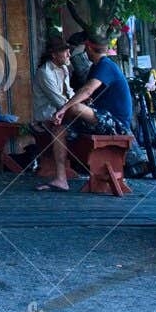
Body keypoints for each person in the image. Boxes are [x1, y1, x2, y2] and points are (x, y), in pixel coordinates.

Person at [37, 29, 133, 191]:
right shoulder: (95, 67)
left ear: (88, 48)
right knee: (60, 129)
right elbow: (90, 96)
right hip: (100, 119)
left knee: (75, 108)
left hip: (116, 123)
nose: (70, 54)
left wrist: (64, 109)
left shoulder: (106, 65)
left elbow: (87, 90)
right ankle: (61, 179)